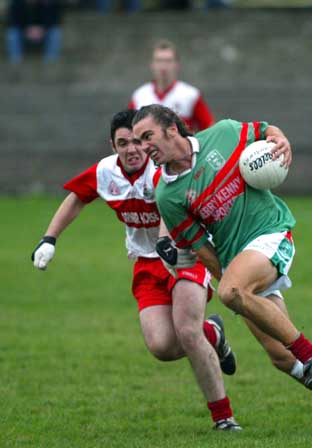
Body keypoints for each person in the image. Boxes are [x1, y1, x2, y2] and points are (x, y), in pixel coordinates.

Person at [132, 104, 312, 434]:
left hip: (271, 234)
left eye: (147, 136)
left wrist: (282, 141)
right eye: (137, 140)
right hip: (239, 264)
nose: (142, 146)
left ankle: (311, 355)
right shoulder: (167, 194)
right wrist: (231, 281)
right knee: (282, 358)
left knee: (232, 293)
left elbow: (266, 130)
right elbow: (203, 251)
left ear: (171, 129)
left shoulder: (222, 134)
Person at [31, 110, 240, 431]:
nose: (132, 149)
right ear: (112, 145)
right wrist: (49, 239)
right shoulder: (105, 171)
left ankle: (223, 418)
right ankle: (214, 333)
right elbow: (77, 198)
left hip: (185, 254)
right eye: (122, 143)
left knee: (187, 331)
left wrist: (165, 242)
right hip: (145, 264)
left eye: (138, 142)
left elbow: (173, 209)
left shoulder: (162, 170)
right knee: (161, 347)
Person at [129, 40, 214, 133]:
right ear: (152, 64)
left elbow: (211, 129)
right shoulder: (139, 96)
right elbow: (128, 131)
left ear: (177, 65)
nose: (163, 66)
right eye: (159, 61)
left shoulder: (191, 95)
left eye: (168, 61)